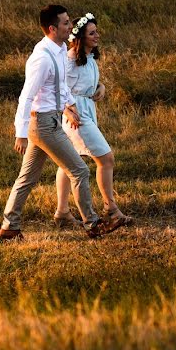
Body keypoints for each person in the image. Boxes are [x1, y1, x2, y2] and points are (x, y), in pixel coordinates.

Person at [0, 5, 103, 240]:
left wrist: (70, 106)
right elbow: (26, 96)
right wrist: (21, 133)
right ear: (52, 28)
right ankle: (92, 224)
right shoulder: (42, 59)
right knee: (80, 171)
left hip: (52, 119)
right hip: (43, 124)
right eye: (65, 23)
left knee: (26, 178)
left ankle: (9, 227)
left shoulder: (60, 48)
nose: (70, 26)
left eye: (69, 22)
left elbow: (61, 85)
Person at [55, 13, 133, 232]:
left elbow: (89, 83)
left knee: (69, 162)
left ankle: (61, 212)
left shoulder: (89, 57)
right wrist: (67, 111)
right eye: (92, 33)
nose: (97, 36)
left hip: (88, 109)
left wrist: (101, 88)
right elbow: (57, 88)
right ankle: (112, 209)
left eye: (97, 31)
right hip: (76, 115)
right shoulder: (69, 59)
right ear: (80, 37)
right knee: (106, 158)